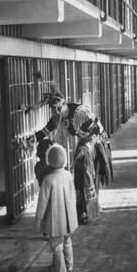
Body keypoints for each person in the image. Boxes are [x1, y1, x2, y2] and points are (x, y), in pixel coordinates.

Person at [35, 87, 112, 224]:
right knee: (79, 174)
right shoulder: (57, 118)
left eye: (59, 109)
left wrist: (85, 149)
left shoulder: (80, 113)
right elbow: (44, 132)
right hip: (84, 142)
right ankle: (82, 210)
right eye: (54, 111)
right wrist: (26, 142)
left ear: (64, 104)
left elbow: (96, 132)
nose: (57, 113)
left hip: (96, 141)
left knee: (85, 172)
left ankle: (89, 211)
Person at [34, 144, 78, 272]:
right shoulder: (68, 175)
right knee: (67, 240)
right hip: (68, 217)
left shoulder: (48, 179)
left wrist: (38, 219)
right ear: (64, 159)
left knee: (56, 245)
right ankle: (69, 264)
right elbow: (73, 196)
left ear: (49, 160)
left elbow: (42, 202)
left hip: (55, 219)